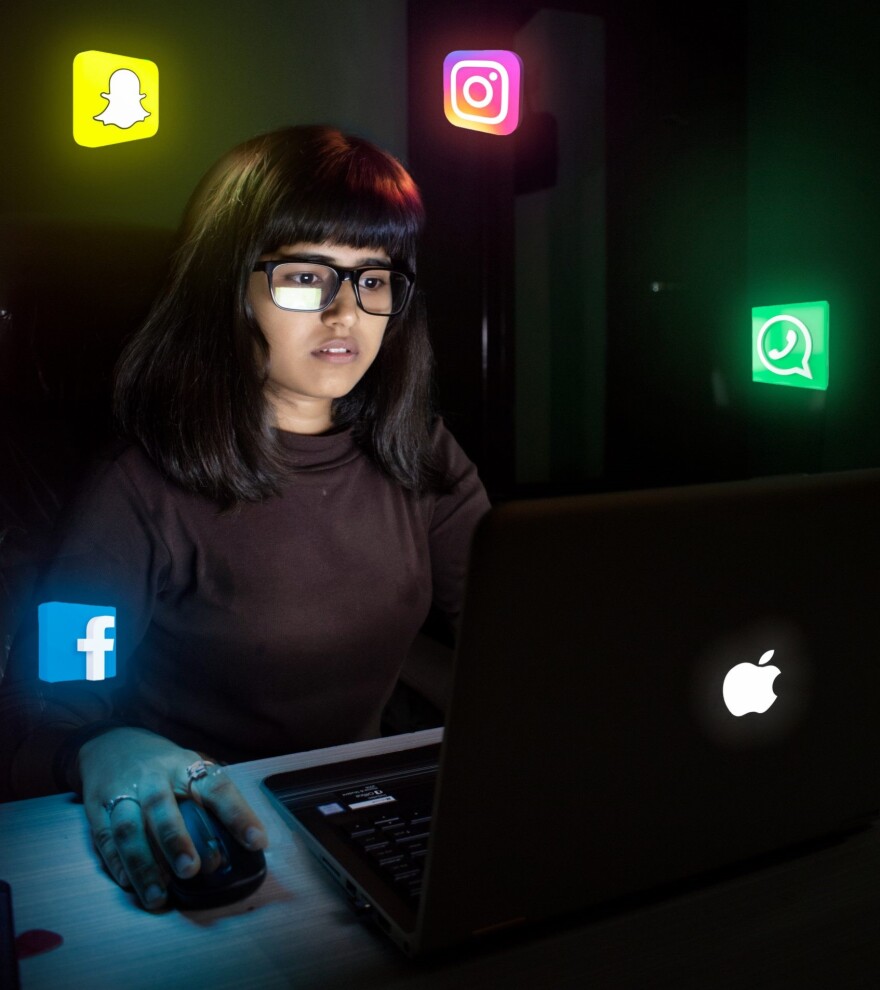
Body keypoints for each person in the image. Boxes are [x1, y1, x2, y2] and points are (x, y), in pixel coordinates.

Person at [0, 125, 490, 911]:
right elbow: (50, 699)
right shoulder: (140, 489)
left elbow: (518, 623)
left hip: (370, 811)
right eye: (305, 277)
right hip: (218, 830)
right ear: (231, 289)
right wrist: (103, 744)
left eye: (373, 280)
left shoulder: (418, 452)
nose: (346, 314)